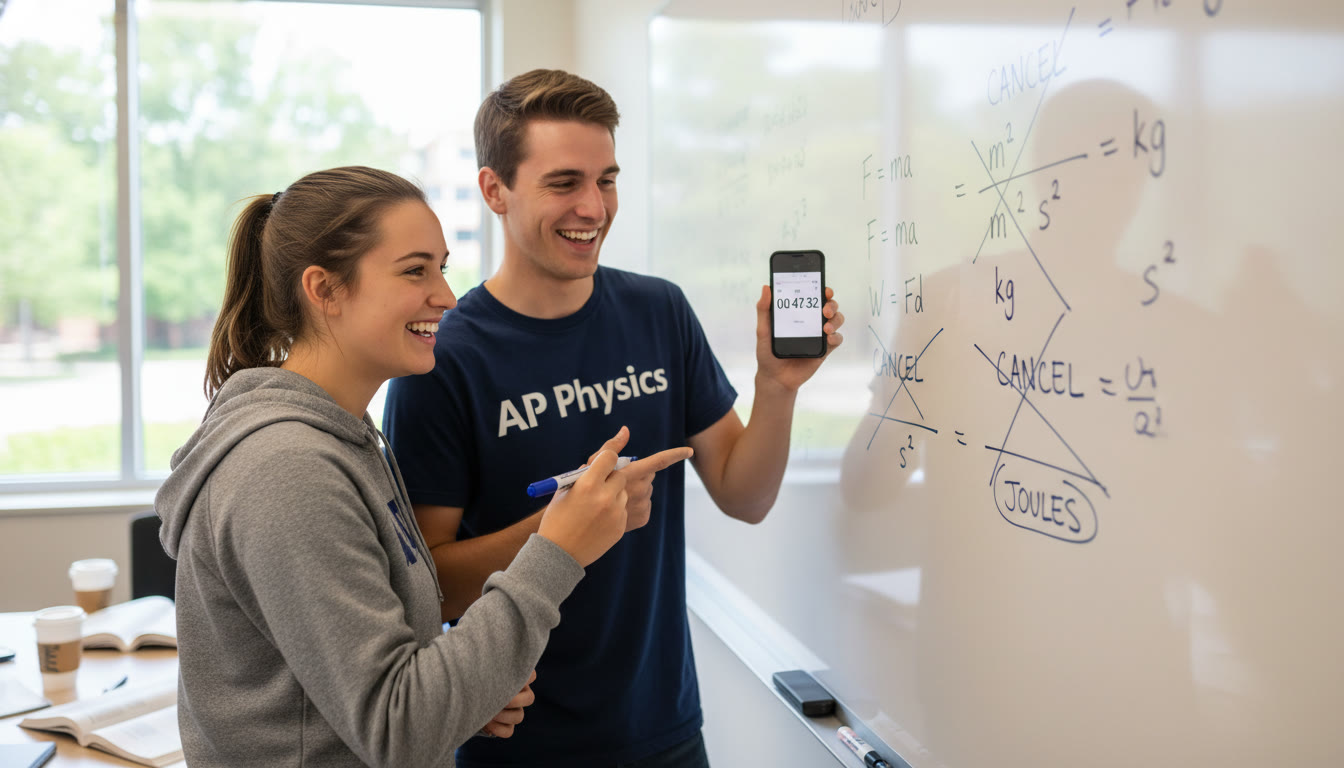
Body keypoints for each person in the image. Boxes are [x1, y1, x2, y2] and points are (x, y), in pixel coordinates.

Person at [383, 70, 845, 767]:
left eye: (608, 179)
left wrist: (776, 387)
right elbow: (432, 586)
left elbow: (744, 496)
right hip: (517, 745)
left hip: (666, 732)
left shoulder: (660, 311)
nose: (593, 207)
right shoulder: (443, 356)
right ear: (494, 190)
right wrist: (566, 526)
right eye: (565, 182)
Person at [154, 166, 666, 767]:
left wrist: (462, 693)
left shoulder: (348, 439)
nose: (446, 296)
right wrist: (556, 551)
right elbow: (398, 729)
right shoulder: (287, 471)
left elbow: (378, 684)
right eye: (415, 270)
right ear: (324, 289)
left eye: (443, 268)